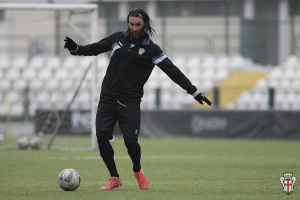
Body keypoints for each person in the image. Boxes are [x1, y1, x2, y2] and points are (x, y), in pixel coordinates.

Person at [64, 8, 212, 191]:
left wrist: (194, 92)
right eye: (131, 24)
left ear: (145, 24)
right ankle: (114, 178)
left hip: (130, 101)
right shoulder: (118, 38)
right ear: (128, 23)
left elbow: (172, 71)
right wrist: (76, 49)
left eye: (138, 24)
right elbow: (95, 48)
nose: (134, 28)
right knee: (102, 137)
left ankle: (137, 170)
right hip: (108, 98)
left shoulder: (152, 49)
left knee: (130, 142)